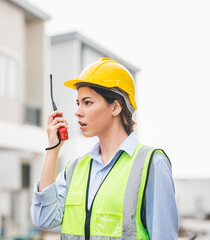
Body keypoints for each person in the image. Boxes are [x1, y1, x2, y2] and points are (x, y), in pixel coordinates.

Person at [31, 58, 178, 240]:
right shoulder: (76, 169)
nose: (78, 111)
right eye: (78, 103)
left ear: (115, 106)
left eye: (88, 102)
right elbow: (43, 219)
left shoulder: (152, 163)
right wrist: (52, 150)